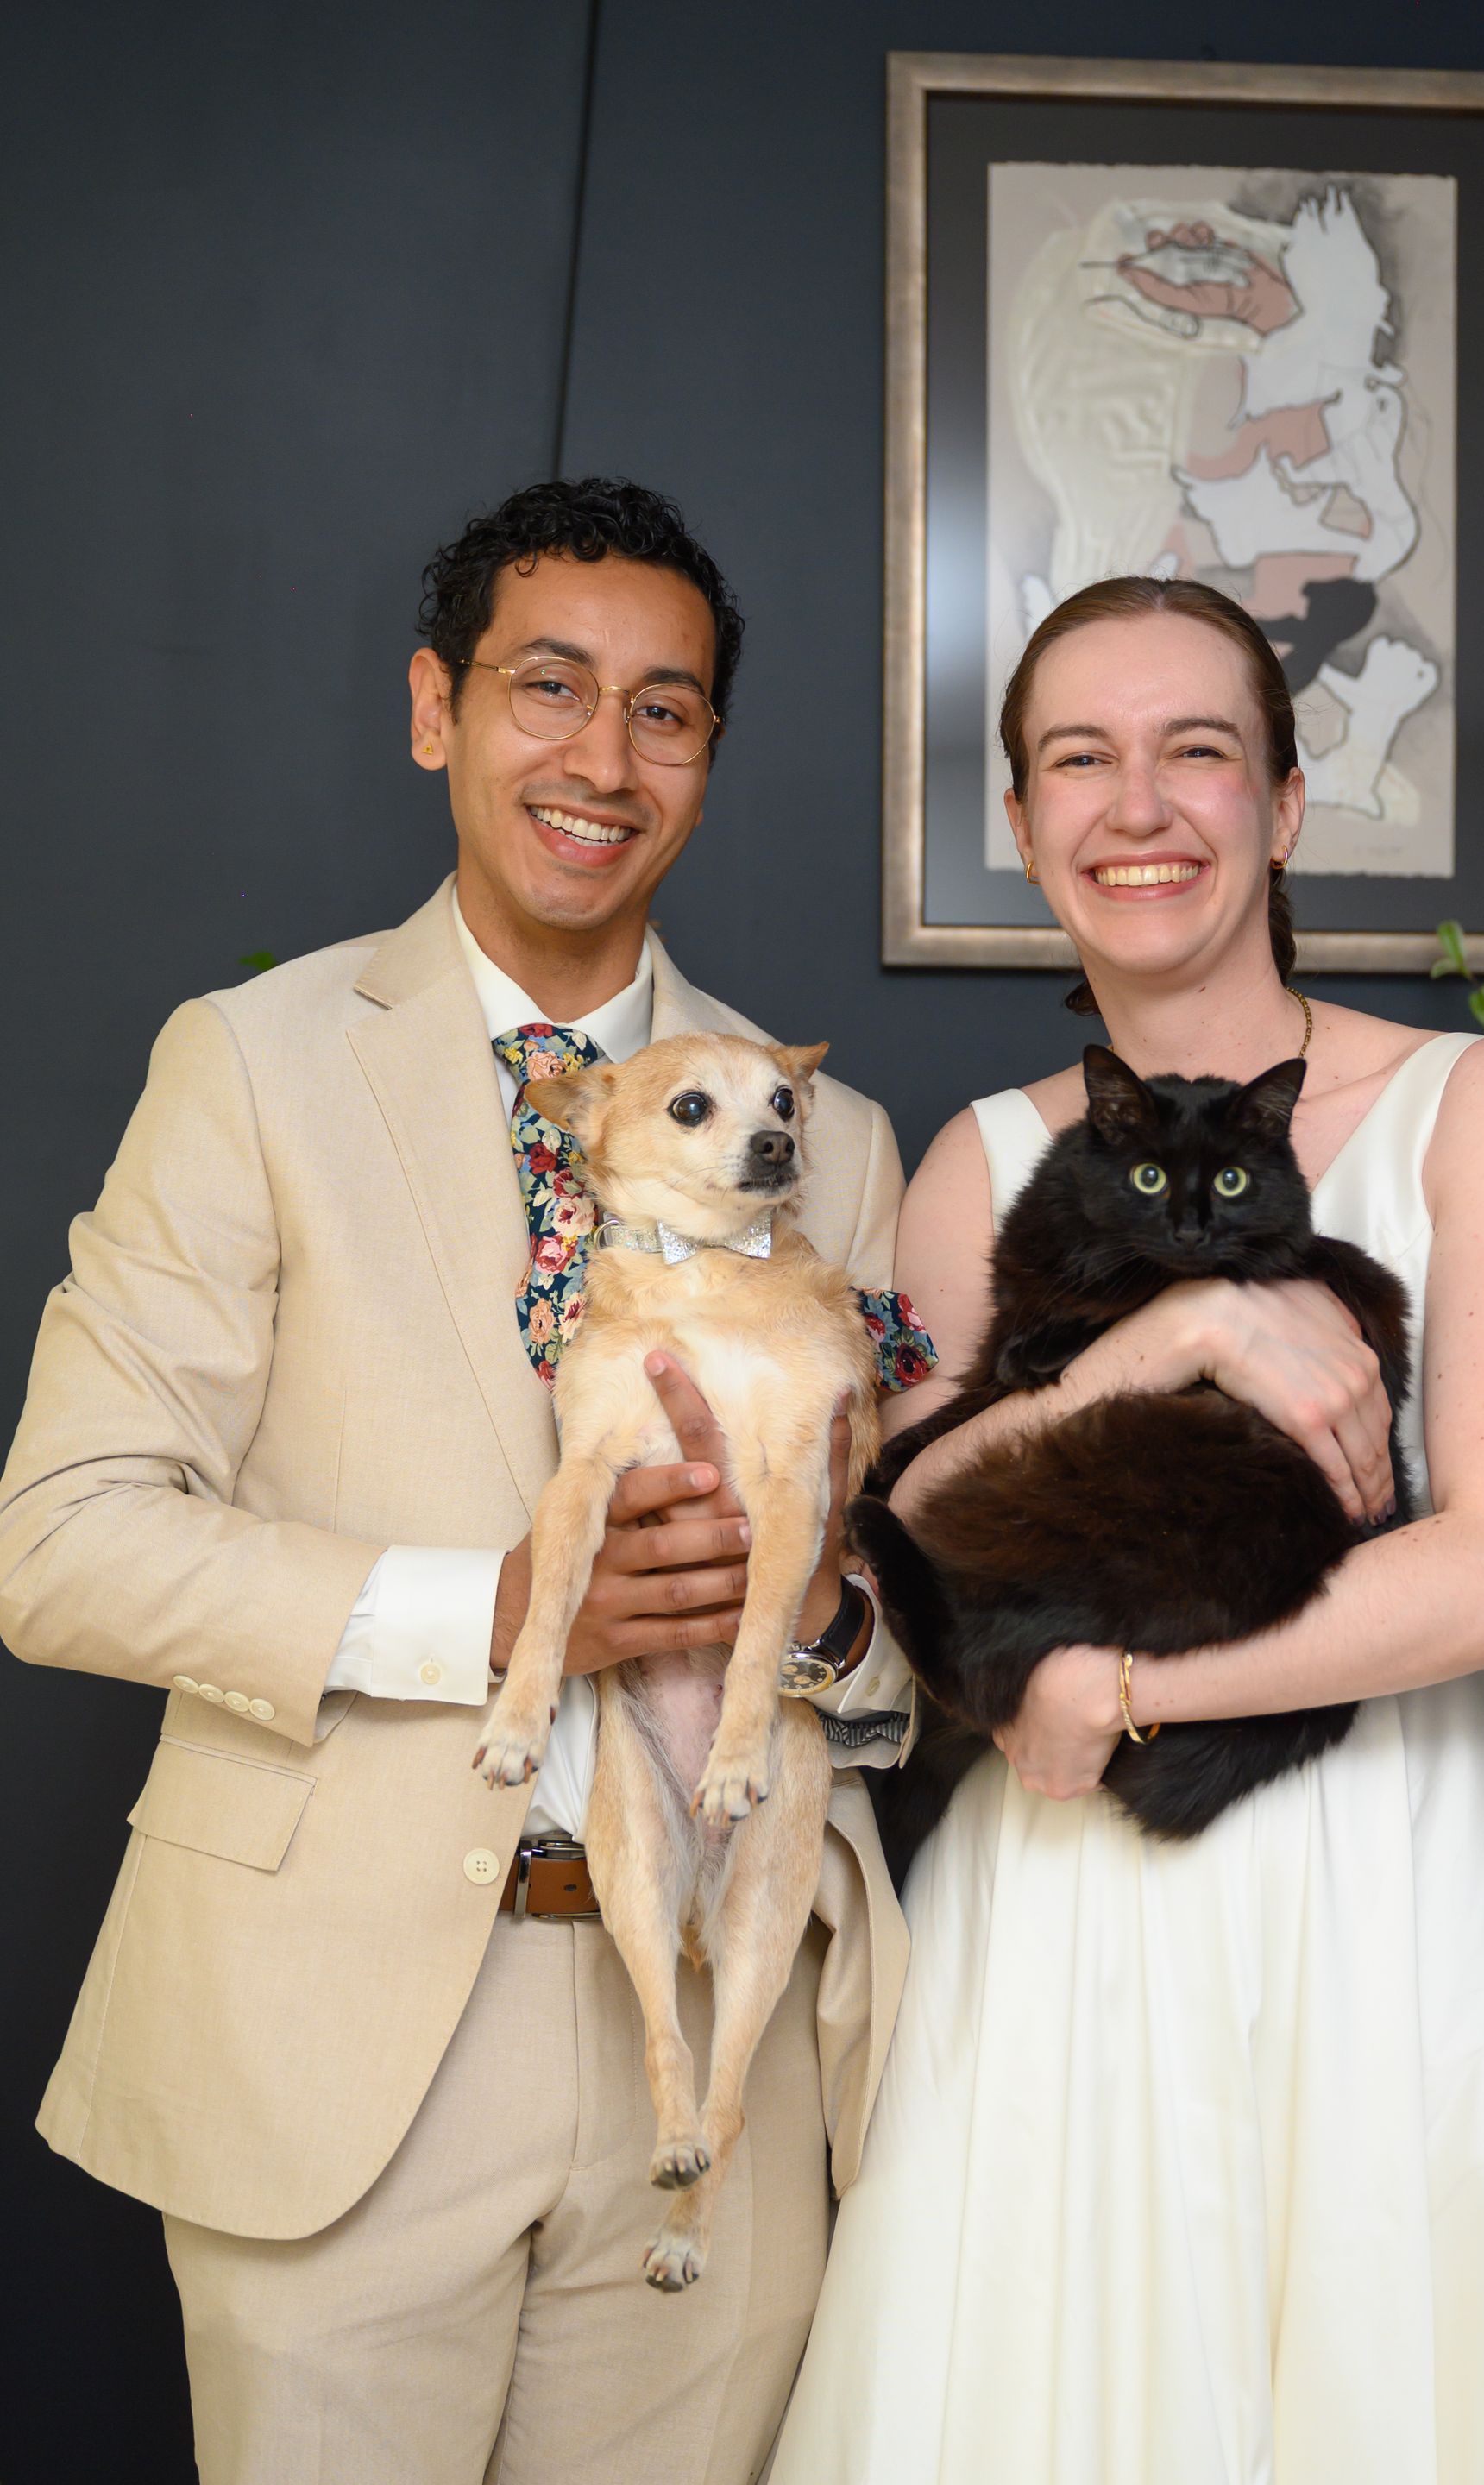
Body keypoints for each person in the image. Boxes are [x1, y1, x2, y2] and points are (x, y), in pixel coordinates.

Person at [0, 477, 923, 2485]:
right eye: (548, 688)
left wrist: (836, 1620)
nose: (603, 759)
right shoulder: (250, 1065)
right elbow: (60, 1542)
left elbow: (893, 1660)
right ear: (437, 709)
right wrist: (502, 1614)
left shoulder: (828, 1138)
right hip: (343, 2048)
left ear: (708, 757)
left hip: (716, 2045)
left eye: (664, 710)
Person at [773, 576, 1484, 2483]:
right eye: (1080, 760)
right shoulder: (975, 1164)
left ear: (1283, 801)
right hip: (1073, 1907)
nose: (1140, 808)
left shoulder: (1475, 1109)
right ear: (1022, 828)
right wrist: (1173, 1332)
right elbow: (917, 1531)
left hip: (1389, 1886)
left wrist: (1118, 1681)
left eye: (1199, 751)